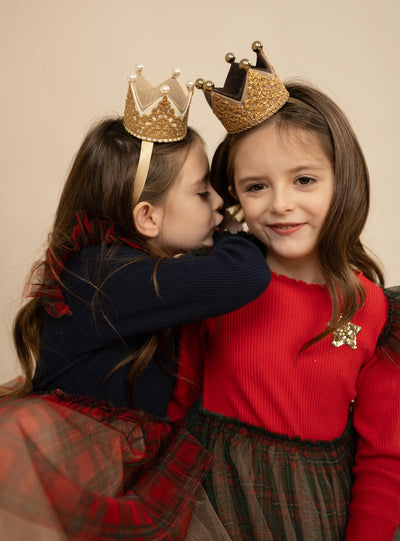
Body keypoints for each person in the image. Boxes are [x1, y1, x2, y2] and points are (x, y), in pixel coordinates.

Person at [0, 65, 270, 540]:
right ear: (147, 216)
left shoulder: (142, 275)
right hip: (77, 456)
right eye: (204, 191)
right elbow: (244, 275)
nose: (218, 205)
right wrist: (236, 229)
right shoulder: (102, 276)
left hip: (124, 462)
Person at [168, 41, 400, 540]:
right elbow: (176, 395)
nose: (281, 204)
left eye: (304, 180)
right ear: (234, 195)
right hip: (208, 500)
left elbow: (384, 457)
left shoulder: (373, 309)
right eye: (256, 187)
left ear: (344, 181)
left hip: (313, 514)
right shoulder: (216, 281)